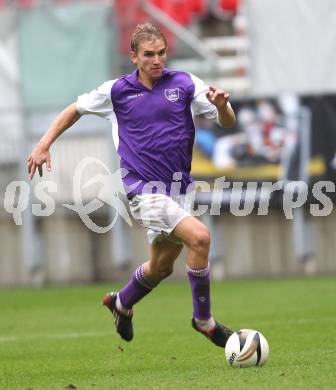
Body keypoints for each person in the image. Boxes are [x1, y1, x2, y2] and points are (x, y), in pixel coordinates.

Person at [28, 22, 236, 348]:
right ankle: (204, 321)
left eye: (162, 53)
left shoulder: (184, 83)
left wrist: (222, 106)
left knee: (161, 267)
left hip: (179, 190)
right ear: (134, 57)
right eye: (149, 55)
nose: (157, 60)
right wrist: (43, 144)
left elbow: (227, 120)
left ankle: (121, 302)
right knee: (201, 238)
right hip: (144, 191)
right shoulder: (117, 91)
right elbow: (75, 109)